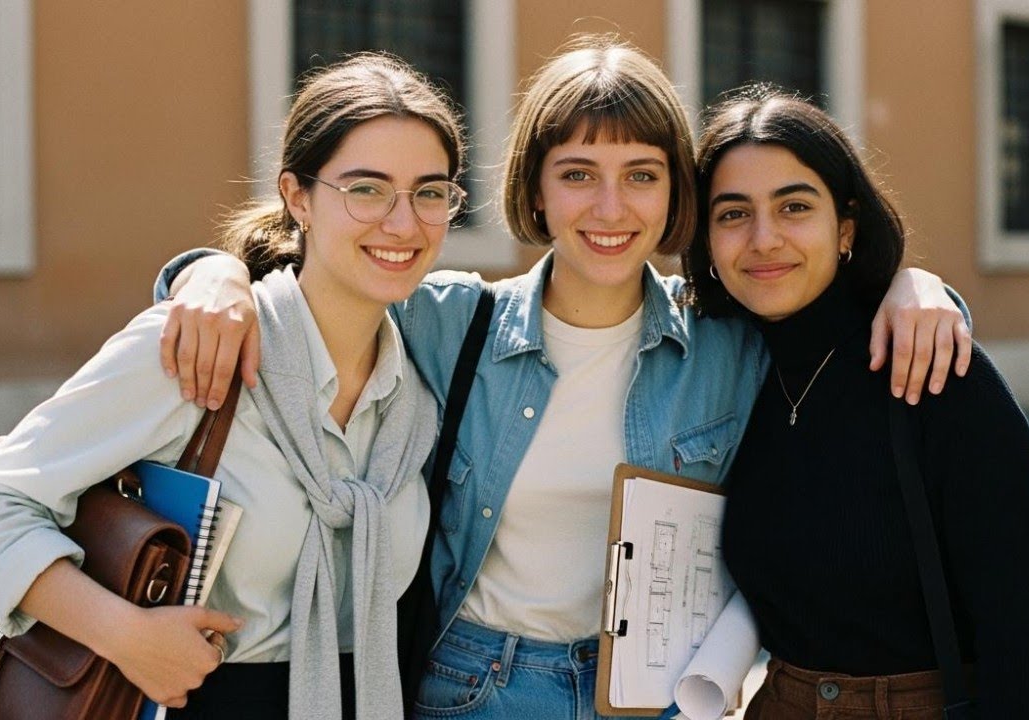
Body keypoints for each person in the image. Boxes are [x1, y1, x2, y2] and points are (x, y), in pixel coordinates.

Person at [153, 38, 972, 720]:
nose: (610, 208)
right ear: (537, 192)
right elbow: (304, 289)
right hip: (474, 690)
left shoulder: (728, 341)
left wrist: (920, 287)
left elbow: (841, 323)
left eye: (642, 174)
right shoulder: (446, 321)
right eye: (578, 173)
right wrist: (208, 272)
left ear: (674, 192)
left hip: (658, 697)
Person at [0, 53, 468, 720]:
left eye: (430, 191)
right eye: (366, 188)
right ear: (297, 196)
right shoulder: (199, 350)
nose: (403, 222)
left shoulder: (419, 392)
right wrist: (124, 635)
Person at [684, 86, 1029, 719]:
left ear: (845, 226)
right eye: (733, 213)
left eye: (794, 207)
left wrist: (922, 284)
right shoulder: (721, 372)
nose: (763, 238)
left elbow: (1027, 640)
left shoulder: (937, 372)